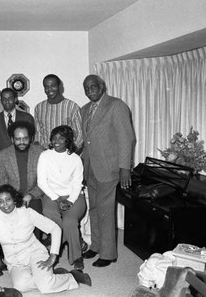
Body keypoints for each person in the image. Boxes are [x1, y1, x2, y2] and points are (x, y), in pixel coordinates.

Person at [0, 185, 91, 295]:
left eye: (8, 200)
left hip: (34, 253)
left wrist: (52, 256)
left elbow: (55, 229)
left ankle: (72, 276)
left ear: (14, 200)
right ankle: (49, 276)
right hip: (15, 262)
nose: (5, 204)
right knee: (20, 286)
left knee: (46, 287)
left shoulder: (27, 213)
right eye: (1, 201)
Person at [81, 74, 135, 267]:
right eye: (86, 88)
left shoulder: (116, 105)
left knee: (105, 210)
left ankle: (109, 253)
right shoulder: (84, 109)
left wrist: (125, 168)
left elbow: (126, 138)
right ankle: (95, 246)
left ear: (102, 86)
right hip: (91, 168)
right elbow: (86, 141)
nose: (90, 91)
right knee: (94, 208)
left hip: (109, 168)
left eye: (93, 87)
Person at [37, 125, 87, 270]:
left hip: (74, 196)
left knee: (70, 221)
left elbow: (78, 184)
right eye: (54, 137)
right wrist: (58, 199)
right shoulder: (45, 156)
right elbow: (41, 182)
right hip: (52, 195)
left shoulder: (75, 159)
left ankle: (76, 257)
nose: (56, 140)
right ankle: (75, 240)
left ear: (68, 141)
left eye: (61, 138)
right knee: (49, 213)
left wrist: (70, 200)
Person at [0, 121, 44, 215]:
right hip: (12, 197)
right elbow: (3, 182)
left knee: (36, 218)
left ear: (30, 138)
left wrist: (31, 195)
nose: (22, 142)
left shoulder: (40, 153)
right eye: (18, 139)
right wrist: (14, 198)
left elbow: (44, 181)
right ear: (12, 139)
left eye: (25, 138)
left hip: (34, 195)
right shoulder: (3, 155)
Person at [34, 74, 83, 151]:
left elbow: (80, 134)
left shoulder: (72, 107)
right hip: (47, 155)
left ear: (60, 86)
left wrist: (71, 152)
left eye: (53, 85)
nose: (49, 89)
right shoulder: (39, 108)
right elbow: (38, 134)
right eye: (46, 86)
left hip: (67, 154)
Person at [0, 88, 35, 160]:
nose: (7, 101)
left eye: (10, 98)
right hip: (2, 162)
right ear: (1, 101)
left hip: (23, 159)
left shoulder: (27, 118)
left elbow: (31, 143)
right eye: (4, 99)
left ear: (15, 99)